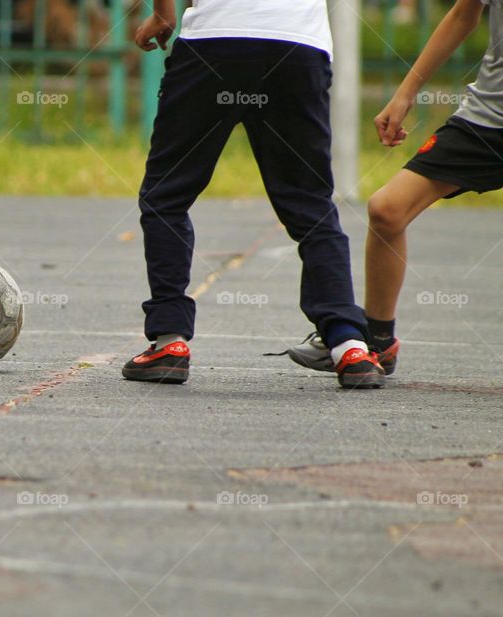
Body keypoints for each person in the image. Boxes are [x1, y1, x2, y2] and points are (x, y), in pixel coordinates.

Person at [122, 0, 385, 388]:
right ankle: (349, 345)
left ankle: (169, 342)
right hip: (298, 45)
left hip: (216, 40)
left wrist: (163, 14)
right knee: (310, 203)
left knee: (167, 195)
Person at [286, 0, 489, 377]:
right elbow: (464, 13)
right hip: (488, 120)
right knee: (386, 209)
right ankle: (379, 340)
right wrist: (406, 93)